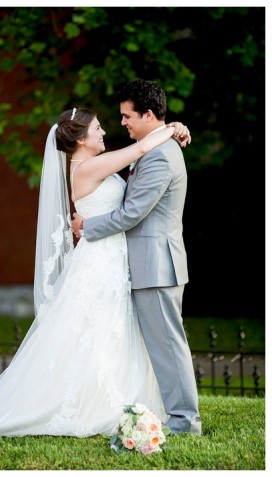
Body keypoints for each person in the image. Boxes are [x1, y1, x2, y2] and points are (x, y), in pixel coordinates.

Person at [0, 107, 191, 437]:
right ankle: (93, 400)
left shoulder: (89, 165)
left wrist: (170, 129)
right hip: (101, 259)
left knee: (110, 329)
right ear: (81, 139)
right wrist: (174, 128)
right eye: (97, 129)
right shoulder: (87, 167)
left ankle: (125, 396)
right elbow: (140, 148)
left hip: (111, 255)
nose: (105, 132)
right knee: (98, 330)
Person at [72, 79, 201, 436]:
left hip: (156, 265)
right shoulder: (158, 146)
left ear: (147, 114)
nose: (123, 123)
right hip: (149, 264)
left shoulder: (160, 155)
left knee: (168, 346)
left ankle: (185, 421)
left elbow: (132, 213)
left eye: (128, 116)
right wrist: (175, 128)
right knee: (162, 346)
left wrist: (86, 226)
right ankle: (175, 414)